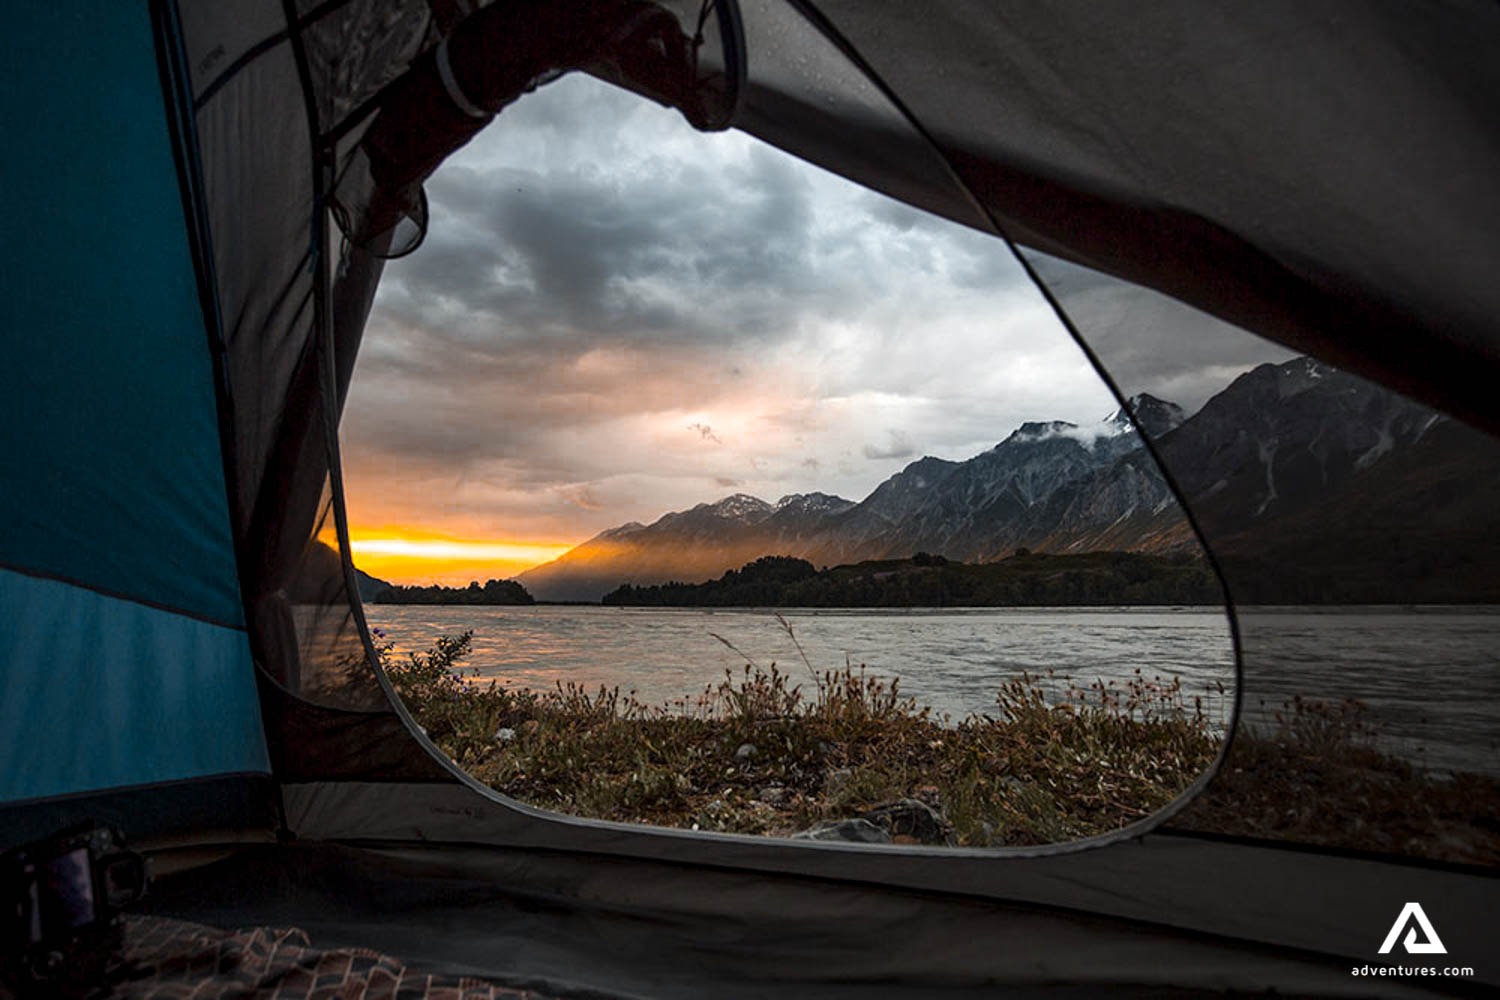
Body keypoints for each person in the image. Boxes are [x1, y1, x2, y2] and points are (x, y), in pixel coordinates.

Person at [339, 0, 699, 251]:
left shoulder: (397, 161)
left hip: (467, 79)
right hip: (465, 79)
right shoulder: (397, 159)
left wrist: (685, 94)